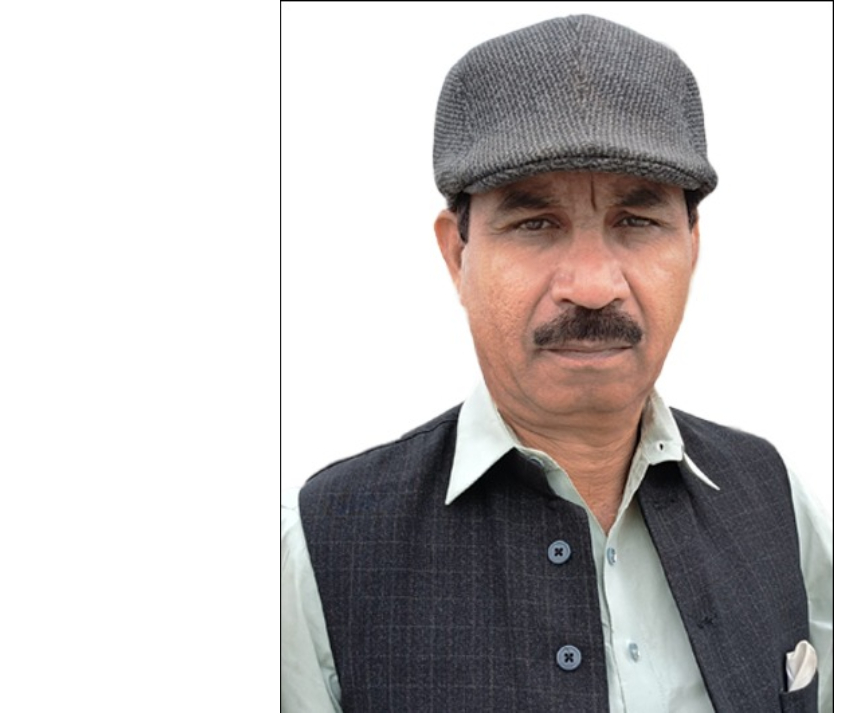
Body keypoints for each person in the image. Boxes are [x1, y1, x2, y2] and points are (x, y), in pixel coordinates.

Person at [281, 14, 832, 712]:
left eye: (638, 222)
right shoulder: (322, 549)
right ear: (457, 255)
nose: (593, 285)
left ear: (691, 248)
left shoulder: (776, 503)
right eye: (535, 224)